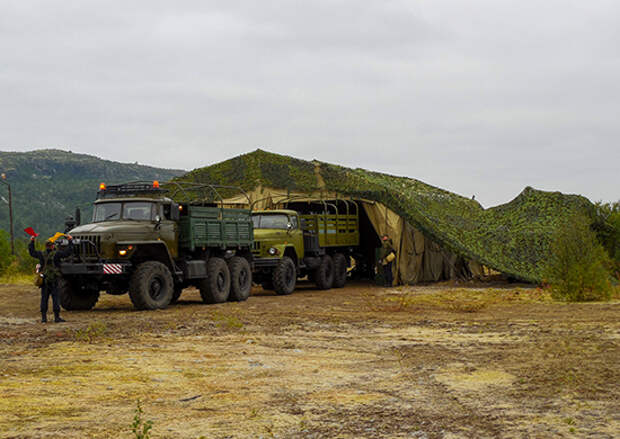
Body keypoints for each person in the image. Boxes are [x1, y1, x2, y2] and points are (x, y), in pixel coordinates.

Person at [29, 235, 74, 323]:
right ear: (53, 246)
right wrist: (70, 241)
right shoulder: (57, 254)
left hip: (44, 280)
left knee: (44, 299)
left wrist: (32, 241)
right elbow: (68, 252)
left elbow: (32, 252)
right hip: (54, 280)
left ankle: (44, 318)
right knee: (55, 298)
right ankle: (56, 317)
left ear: (46, 246)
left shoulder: (41, 254)